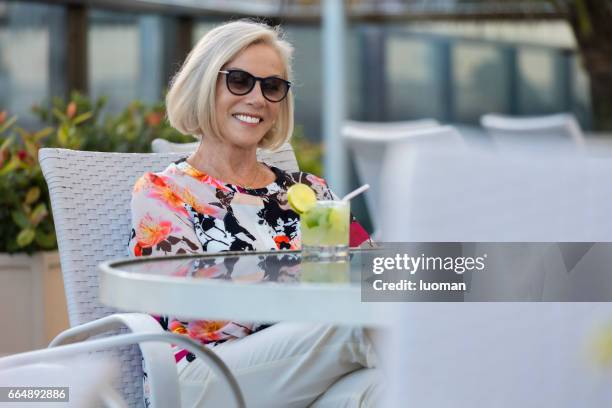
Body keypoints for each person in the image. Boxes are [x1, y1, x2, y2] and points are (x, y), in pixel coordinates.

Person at [128, 19, 380, 407]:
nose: (258, 98)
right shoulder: (163, 193)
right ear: (203, 84)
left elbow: (371, 274)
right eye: (240, 81)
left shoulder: (309, 190)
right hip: (201, 379)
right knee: (361, 321)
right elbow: (199, 311)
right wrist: (312, 281)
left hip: (300, 374)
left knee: (384, 388)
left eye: (272, 86)